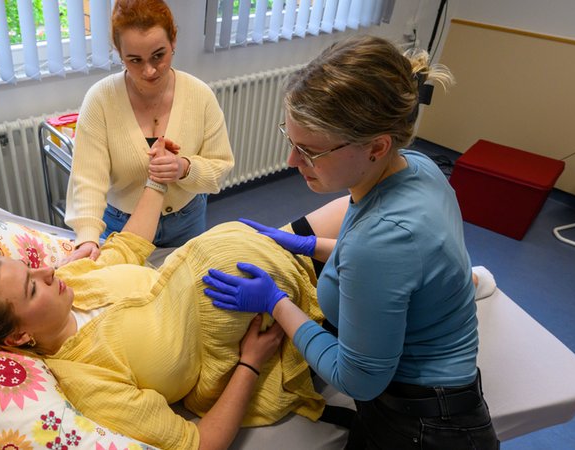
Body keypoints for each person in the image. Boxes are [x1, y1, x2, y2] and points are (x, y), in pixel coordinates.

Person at [0, 139, 323, 450]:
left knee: (361, 211)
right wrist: (250, 364)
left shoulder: (76, 281)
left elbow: (129, 245)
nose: (47, 270)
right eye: (31, 285)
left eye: (31, 267)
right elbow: (196, 443)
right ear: (19, 337)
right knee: (370, 252)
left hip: (273, 265)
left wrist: (156, 180)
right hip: (265, 329)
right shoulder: (85, 380)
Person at [203, 35, 500, 449]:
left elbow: (356, 378)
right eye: (290, 142)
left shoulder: (381, 245)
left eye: (308, 150)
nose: (292, 162)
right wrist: (310, 246)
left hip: (424, 428)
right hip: (441, 393)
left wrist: (276, 303)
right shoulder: (417, 166)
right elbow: (388, 258)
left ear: (376, 146)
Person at [64, 0, 234, 262]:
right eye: (135, 60)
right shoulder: (100, 100)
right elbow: (87, 180)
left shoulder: (200, 96)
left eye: (159, 55)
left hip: (186, 221)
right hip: (121, 225)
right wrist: (87, 236)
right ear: (119, 53)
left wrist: (184, 168)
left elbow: (219, 169)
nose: (149, 70)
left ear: (173, 41)